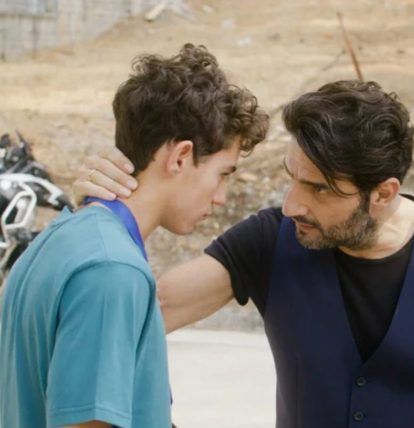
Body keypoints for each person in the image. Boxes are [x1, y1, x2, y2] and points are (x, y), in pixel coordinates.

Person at [75, 80, 414, 427]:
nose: (291, 205)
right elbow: (141, 313)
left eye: (318, 189)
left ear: (383, 194)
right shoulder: (270, 240)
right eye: (292, 178)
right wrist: (105, 212)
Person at [0, 43, 268, 428]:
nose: (221, 197)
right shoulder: (112, 269)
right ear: (180, 157)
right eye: (222, 174)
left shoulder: (59, 237)